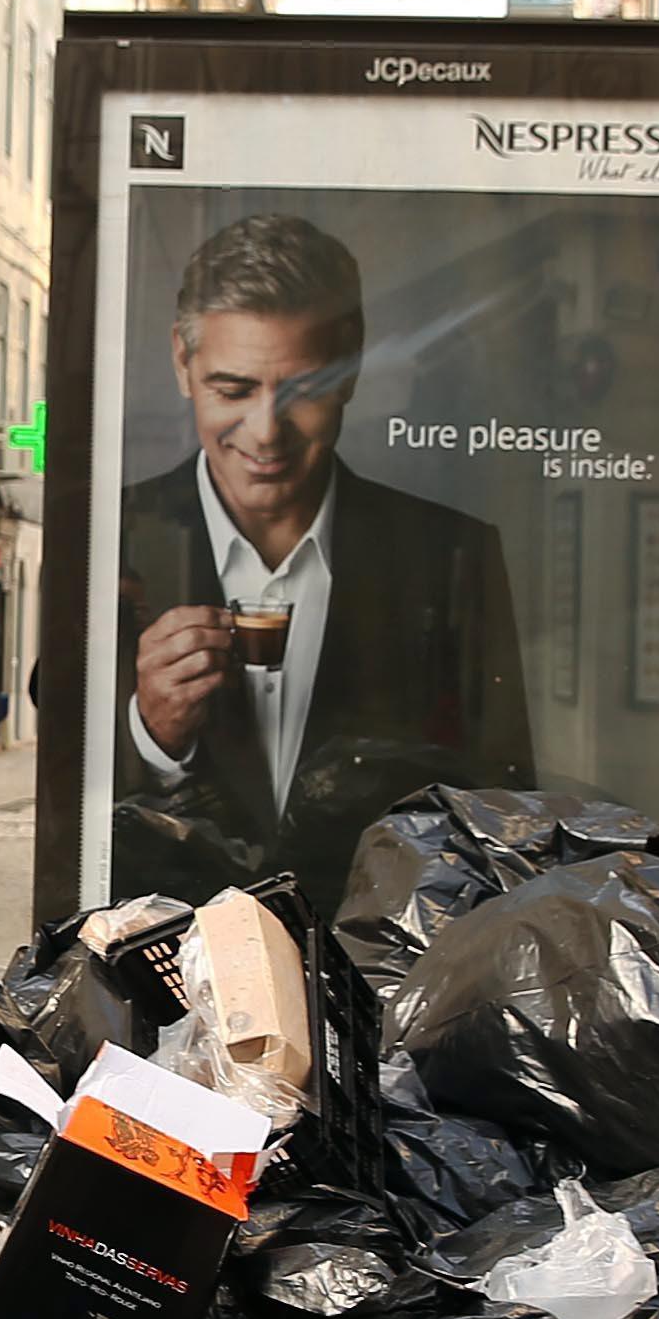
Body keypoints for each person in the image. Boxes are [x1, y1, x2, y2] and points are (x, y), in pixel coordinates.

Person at [118, 212, 533, 894]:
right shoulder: (110, 539)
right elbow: (61, 786)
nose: (266, 432)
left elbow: (505, 800)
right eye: (234, 389)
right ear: (182, 364)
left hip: (383, 948)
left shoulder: (454, 554)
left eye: (304, 390)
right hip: (168, 947)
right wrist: (152, 735)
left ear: (352, 370)